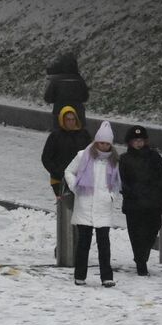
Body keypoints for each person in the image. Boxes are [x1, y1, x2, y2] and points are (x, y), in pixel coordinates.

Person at [65, 120, 122, 286]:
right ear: (96, 141)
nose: (104, 146)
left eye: (107, 143)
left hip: (103, 206)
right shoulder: (83, 155)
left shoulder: (114, 160)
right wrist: (76, 187)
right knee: (84, 243)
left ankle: (107, 276)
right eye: (101, 142)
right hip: (85, 203)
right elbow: (69, 171)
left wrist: (112, 196)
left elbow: (117, 182)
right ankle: (80, 275)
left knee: (104, 243)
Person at [119, 125, 162, 276]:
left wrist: (158, 190)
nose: (138, 143)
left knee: (152, 229)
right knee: (136, 234)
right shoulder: (125, 159)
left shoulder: (154, 156)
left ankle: (142, 256)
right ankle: (140, 262)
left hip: (152, 202)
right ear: (129, 142)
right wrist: (132, 192)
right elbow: (122, 181)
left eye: (141, 140)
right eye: (135, 140)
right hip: (134, 204)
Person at [40, 105, 90, 199]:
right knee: (64, 209)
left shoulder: (84, 135)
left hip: (80, 180)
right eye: (68, 119)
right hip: (59, 180)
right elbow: (46, 158)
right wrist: (57, 172)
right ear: (62, 120)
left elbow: (90, 154)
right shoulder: (55, 136)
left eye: (73, 119)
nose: (71, 122)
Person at [43, 51, 89, 125]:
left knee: (59, 134)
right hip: (78, 113)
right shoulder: (80, 80)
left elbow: (48, 98)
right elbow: (85, 97)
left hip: (60, 113)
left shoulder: (56, 80)